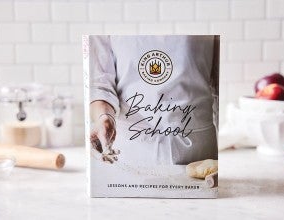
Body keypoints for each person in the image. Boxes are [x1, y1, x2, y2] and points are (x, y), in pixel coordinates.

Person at [89, 35, 218, 166]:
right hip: (129, 152)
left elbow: (218, 81)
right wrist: (104, 117)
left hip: (198, 154)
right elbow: (99, 84)